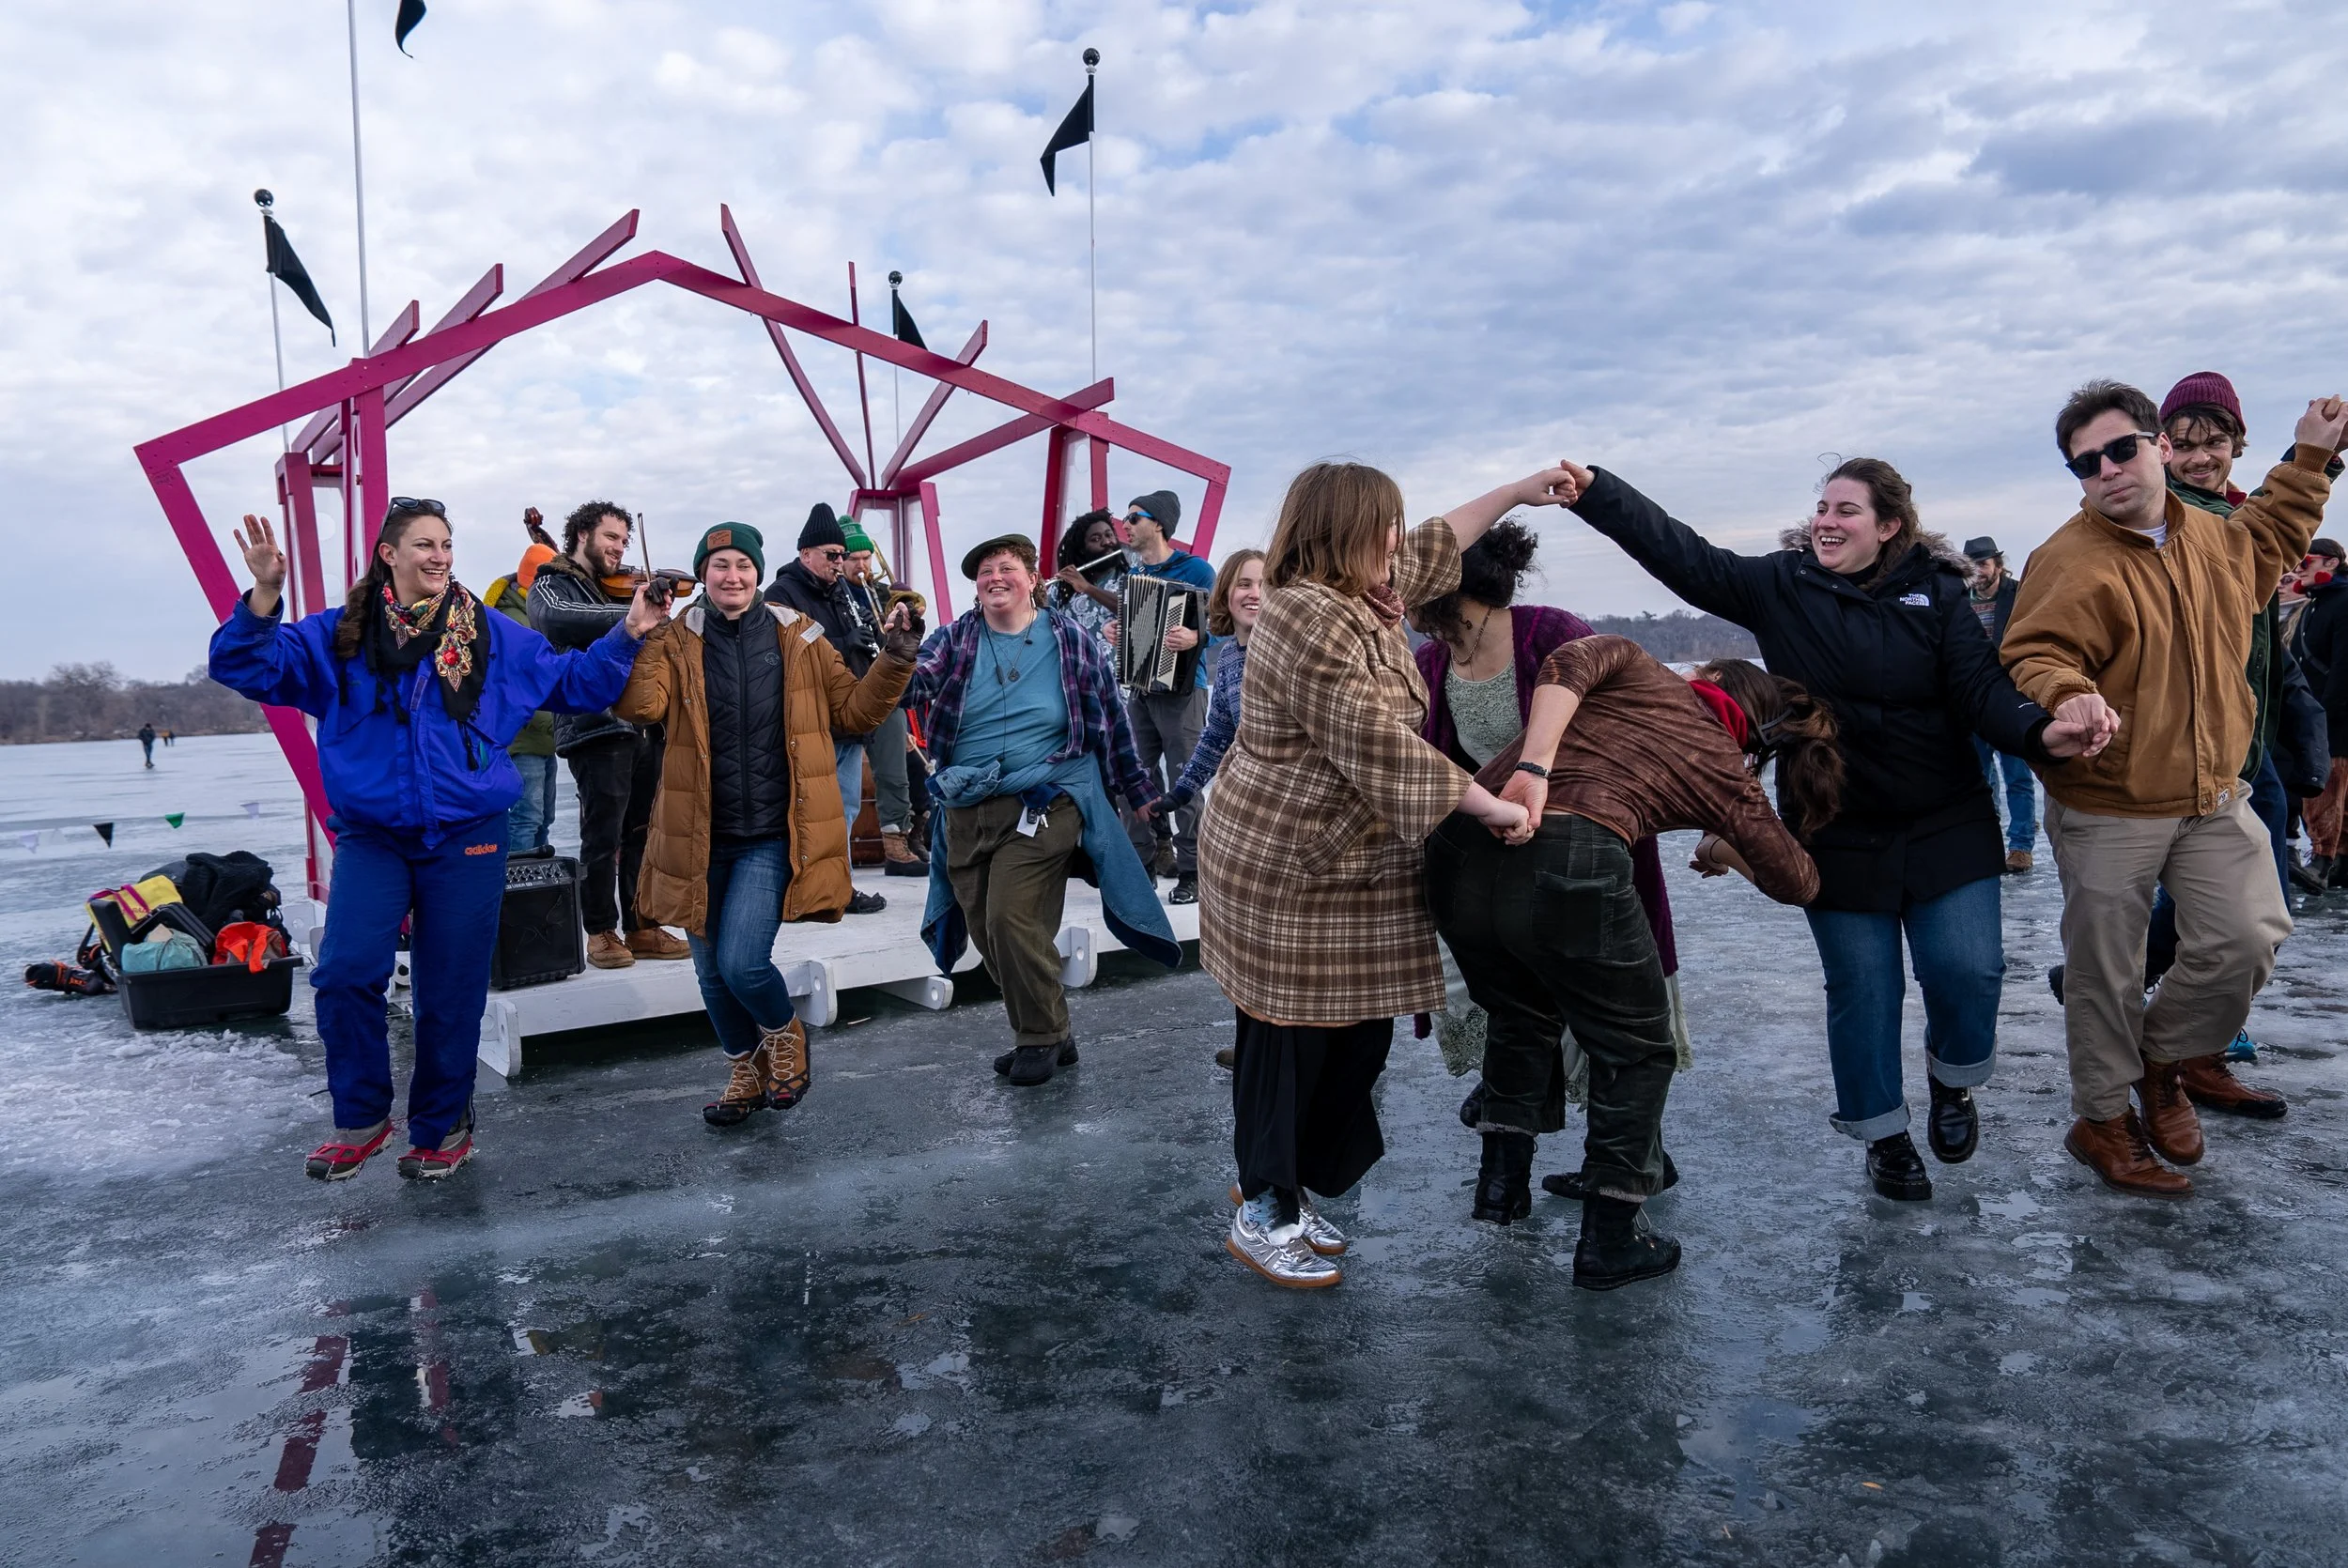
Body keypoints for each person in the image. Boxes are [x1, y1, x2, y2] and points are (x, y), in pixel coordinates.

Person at [1565, 455, 2112, 1202]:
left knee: (1968, 971)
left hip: (1944, 817)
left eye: (1846, 510)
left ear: (1888, 526)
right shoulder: (1782, 584)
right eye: (1822, 507)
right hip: (1836, 823)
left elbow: (1982, 689)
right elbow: (1683, 555)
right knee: (1863, 989)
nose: (1826, 520)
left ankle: (1952, 1080)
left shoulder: (1938, 590)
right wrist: (1600, 493)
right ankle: (1884, 1136)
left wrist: (2040, 731)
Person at [210, 500, 657, 1181]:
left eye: (446, 544)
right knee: (344, 973)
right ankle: (362, 1120)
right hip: (374, 838)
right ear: (388, 554)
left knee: (449, 990)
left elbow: (575, 682)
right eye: (424, 544)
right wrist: (265, 594)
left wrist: (628, 631)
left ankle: (443, 1128)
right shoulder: (339, 636)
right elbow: (244, 666)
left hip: (467, 835)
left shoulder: (490, 635)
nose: (440, 556)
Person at [1200, 460, 1556, 1291]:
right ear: (1346, 529)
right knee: (1287, 1038)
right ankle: (1265, 1207)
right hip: (1289, 865)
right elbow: (1373, 738)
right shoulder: (1303, 613)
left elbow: (1440, 541)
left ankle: (1286, 1186)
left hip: (1350, 862)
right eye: (1385, 523)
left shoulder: (1366, 591)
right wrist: (1489, 806)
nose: (1399, 537)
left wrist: (1517, 491)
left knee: (1354, 1039)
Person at [2001, 381, 2343, 1199]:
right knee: (2106, 973)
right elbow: (2035, 650)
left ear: (2156, 446)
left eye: (2121, 449)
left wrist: (2312, 456)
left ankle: (2163, 1063)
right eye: (2086, 463)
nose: (2107, 470)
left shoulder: (2215, 535)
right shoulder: (2068, 559)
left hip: (2213, 792)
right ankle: (2102, 1119)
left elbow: (2276, 531)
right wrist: (2067, 694)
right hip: (2109, 801)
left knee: (2248, 935)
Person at [1429, 645, 1828, 1287]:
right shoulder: (1725, 769)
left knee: (1520, 1013)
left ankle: (1500, 1189)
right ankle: (1611, 1239)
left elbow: (1570, 663)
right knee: (1638, 1048)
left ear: (1711, 678)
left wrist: (1532, 765)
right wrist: (1721, 844)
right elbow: (1799, 881)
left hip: (1458, 850)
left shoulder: (1643, 675)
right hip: (1569, 857)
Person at [615, 524, 919, 1127]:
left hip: (770, 836)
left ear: (758, 572)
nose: (732, 576)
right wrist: (643, 635)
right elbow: (639, 707)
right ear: (703, 575)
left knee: (742, 962)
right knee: (710, 973)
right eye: (719, 565)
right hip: (698, 837)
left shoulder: (800, 635)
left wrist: (896, 656)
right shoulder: (676, 637)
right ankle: (745, 1069)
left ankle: (784, 1032)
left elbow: (854, 711)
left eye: (743, 565)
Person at [1408, 518, 1686, 1141]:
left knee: (1600, 992)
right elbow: (1434, 761)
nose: (1400, 592)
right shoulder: (1431, 660)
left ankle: (1632, 1157)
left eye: (1414, 580)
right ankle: (1517, 1100)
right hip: (1492, 848)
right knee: (1492, 980)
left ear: (1446, 586)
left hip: (1577, 845)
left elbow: (1617, 728)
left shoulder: (1551, 633)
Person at [904, 533, 1180, 1086]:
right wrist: (896, 655)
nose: (994, 578)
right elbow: (913, 688)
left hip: (1049, 797)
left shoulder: (1071, 639)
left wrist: (1139, 791)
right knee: (987, 932)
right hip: (967, 806)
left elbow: (1111, 719)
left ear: (1033, 579)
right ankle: (1054, 1027)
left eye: (1006, 568)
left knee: (1011, 918)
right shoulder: (954, 639)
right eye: (984, 571)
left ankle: (1038, 1038)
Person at [530, 500, 690, 967]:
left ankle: (643, 925)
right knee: (602, 836)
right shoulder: (552, 582)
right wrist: (633, 614)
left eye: (624, 540)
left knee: (644, 831)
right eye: (611, 538)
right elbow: (559, 618)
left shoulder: (621, 588)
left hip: (643, 722)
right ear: (582, 535)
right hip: (594, 724)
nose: (620, 548)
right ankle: (600, 930)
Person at [765, 503, 892, 914]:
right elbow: (785, 654)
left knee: (846, 809)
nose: (840, 563)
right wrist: (842, 642)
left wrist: (870, 636)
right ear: (806, 554)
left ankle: (838, 887)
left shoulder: (840, 590)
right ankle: (807, 891)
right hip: (810, 721)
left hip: (846, 720)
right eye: (832, 555)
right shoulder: (782, 594)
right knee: (811, 812)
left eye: (842, 555)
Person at [1141, 550, 1265, 927]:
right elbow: (1217, 736)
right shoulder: (1228, 659)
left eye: (1266, 585)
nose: (1255, 593)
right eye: (1244, 584)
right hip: (1251, 806)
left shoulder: (1286, 652)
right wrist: (1181, 791)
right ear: (1225, 593)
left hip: (1286, 807)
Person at [1119, 490, 1217, 900]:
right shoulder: (1133, 576)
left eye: (1134, 518)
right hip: (1141, 690)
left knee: (1185, 779)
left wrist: (1196, 637)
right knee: (1133, 777)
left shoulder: (1197, 570)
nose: (1125, 525)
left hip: (1184, 692)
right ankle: (1141, 864)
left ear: (1158, 523)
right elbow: (1131, 629)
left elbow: (1222, 625)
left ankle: (1193, 870)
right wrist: (1114, 632)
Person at [840, 521, 928, 878]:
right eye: (855, 558)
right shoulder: (833, 593)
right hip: (847, 688)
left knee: (897, 772)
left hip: (883, 691)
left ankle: (898, 843)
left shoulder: (881, 593)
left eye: (867, 557)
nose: (862, 565)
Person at [484, 521, 561, 854]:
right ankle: (519, 879)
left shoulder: (531, 611)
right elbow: (522, 680)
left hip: (543, 736)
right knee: (527, 818)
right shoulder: (515, 619)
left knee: (542, 818)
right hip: (524, 737)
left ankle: (537, 879)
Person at [1962, 537, 2037, 872]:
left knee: (2017, 776)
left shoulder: (2019, 594)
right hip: (1971, 701)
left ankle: (2020, 845)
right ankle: (1988, 842)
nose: (1978, 571)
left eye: (1983, 564)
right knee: (1979, 778)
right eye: (1972, 565)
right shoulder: (1958, 599)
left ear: (1998, 565)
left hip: (2010, 698)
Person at [2294, 533, 2348, 885]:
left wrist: (2322, 716)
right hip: (2323, 713)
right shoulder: (2318, 602)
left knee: (2324, 790)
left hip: (2332, 717)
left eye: (2306, 562)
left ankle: (2322, 859)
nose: (2299, 569)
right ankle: (2338, 861)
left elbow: (2343, 668)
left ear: (2331, 563)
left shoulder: (2342, 602)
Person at [1048, 508, 1126, 655]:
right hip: (1074, 667)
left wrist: (1087, 588)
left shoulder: (1130, 579)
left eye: (1109, 535)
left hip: (1114, 669)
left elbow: (1132, 608)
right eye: (1096, 539)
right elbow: (1038, 620)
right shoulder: (1063, 586)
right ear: (1082, 549)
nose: (1106, 542)